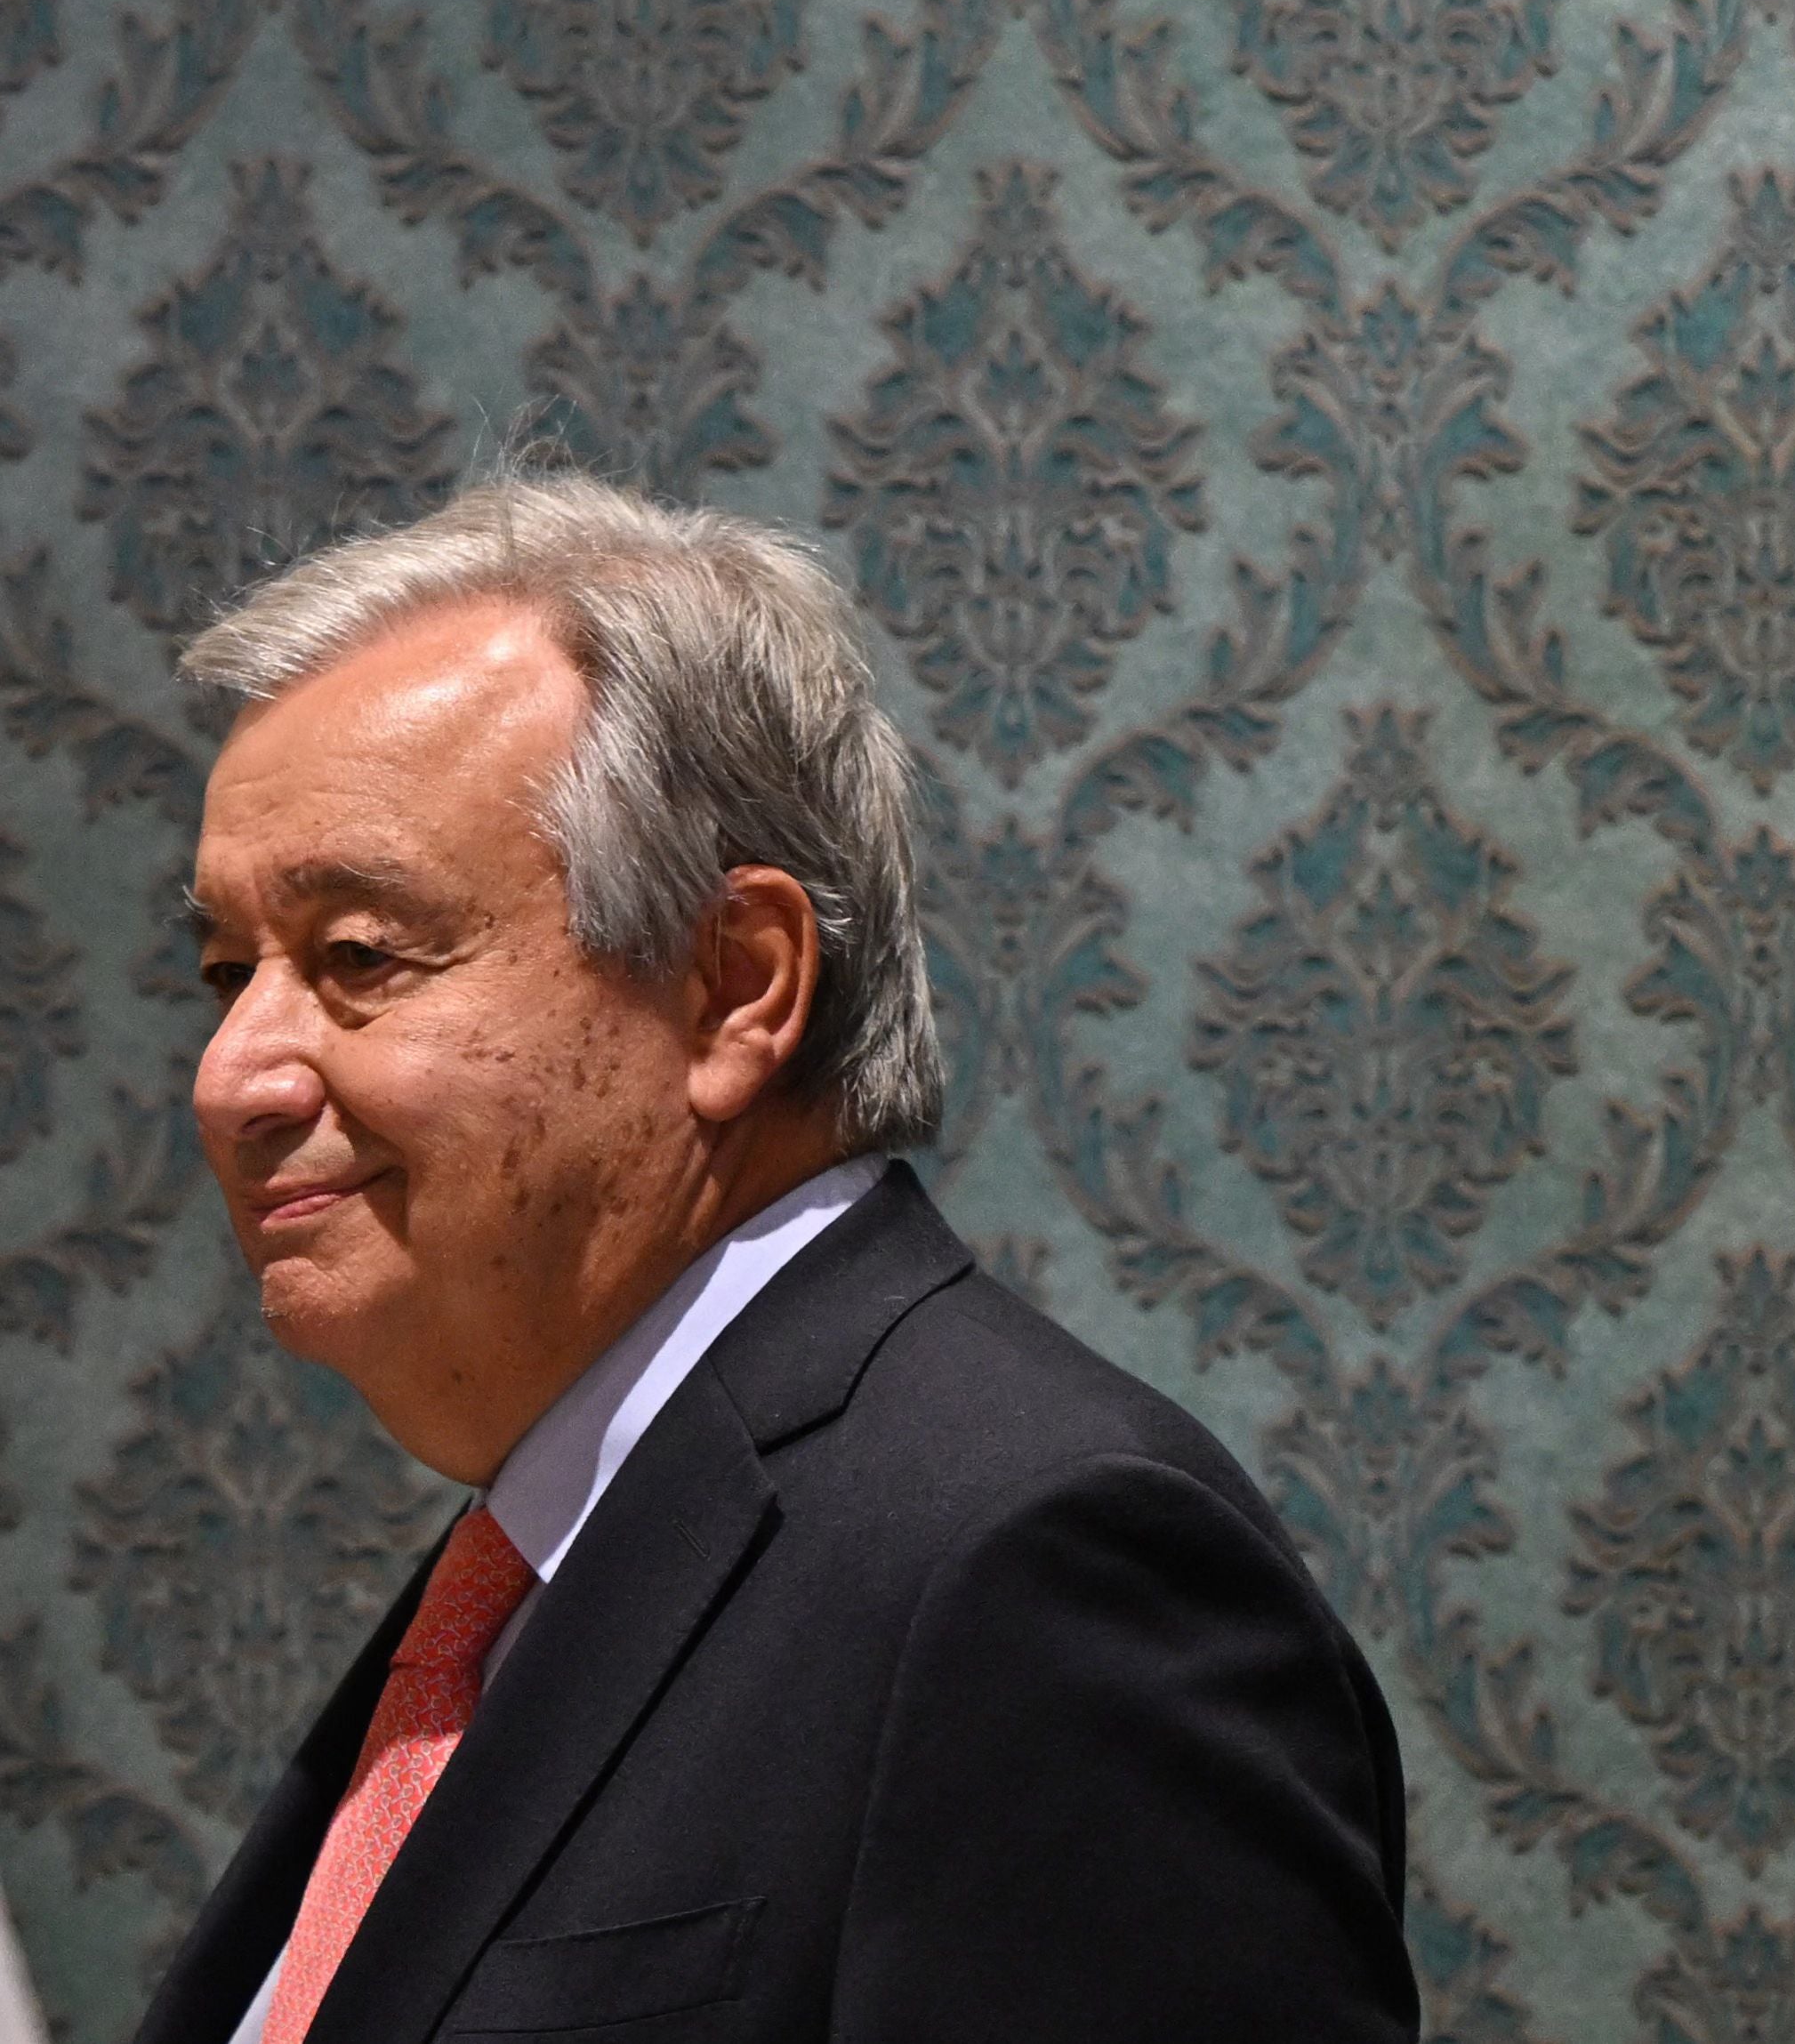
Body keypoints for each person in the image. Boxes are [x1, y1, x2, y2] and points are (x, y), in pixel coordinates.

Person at [133, 477, 1421, 2043]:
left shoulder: (1035, 1570)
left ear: (737, 988)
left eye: (358, 960)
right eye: (224, 971)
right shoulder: (525, 1582)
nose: (233, 1072)